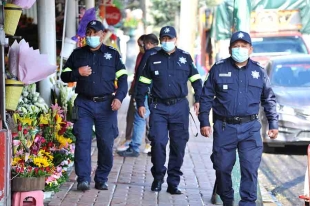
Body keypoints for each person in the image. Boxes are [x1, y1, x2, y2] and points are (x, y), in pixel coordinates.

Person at [198, 31, 279, 206]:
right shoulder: (218, 69)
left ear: (250, 49)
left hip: (250, 128)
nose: (240, 49)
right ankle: (227, 200)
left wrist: (273, 123)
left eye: (243, 46)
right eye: (236, 46)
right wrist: (204, 121)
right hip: (224, 127)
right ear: (230, 49)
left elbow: (269, 98)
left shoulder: (258, 71)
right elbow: (206, 97)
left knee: (250, 169)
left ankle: (247, 203)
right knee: (222, 168)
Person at [61, 20, 128, 191]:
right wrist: (77, 73)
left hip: (106, 105)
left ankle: (102, 178)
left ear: (102, 35)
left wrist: (119, 98)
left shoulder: (112, 54)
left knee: (105, 143)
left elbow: (123, 79)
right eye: (88, 33)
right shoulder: (78, 54)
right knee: (82, 140)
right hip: (83, 104)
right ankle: (83, 178)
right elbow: (64, 75)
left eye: (94, 33)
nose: (91, 36)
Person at [136, 26, 202, 194]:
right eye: (163, 39)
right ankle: (158, 177)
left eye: (169, 39)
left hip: (180, 107)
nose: (166, 41)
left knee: (178, 146)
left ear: (175, 39)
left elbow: (195, 79)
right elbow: (142, 82)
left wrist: (199, 99)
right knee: (158, 143)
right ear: (160, 40)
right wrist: (140, 103)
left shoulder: (185, 57)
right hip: (159, 107)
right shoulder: (152, 58)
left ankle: (174, 182)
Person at [117, 33, 161, 157]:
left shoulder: (147, 54)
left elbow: (140, 76)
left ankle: (135, 147)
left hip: (146, 93)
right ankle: (155, 147)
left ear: (148, 43)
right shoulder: (164, 54)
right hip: (160, 95)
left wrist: (137, 94)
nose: (142, 47)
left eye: (143, 44)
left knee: (139, 118)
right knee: (156, 120)